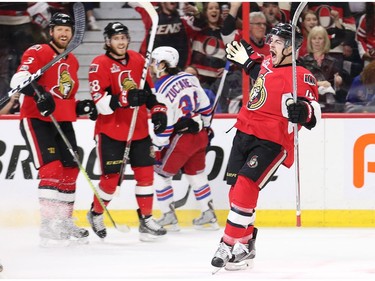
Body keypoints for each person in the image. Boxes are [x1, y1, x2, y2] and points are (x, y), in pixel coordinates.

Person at [210, 23, 320, 272]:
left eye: (278, 41)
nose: (271, 44)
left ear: (292, 47)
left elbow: (314, 112)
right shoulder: (267, 63)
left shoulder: (301, 75)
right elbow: (247, 57)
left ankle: (227, 244)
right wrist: (231, 29)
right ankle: (246, 244)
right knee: (236, 193)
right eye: (272, 39)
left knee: (246, 187)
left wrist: (302, 110)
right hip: (244, 132)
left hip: (272, 141)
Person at [10, 12, 97, 246]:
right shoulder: (39, 52)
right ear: (51, 32)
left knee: (70, 169)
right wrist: (38, 94)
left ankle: (64, 221)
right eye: (59, 29)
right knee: (52, 168)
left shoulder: (72, 60)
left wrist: (82, 105)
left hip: (63, 121)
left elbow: (63, 95)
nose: (64, 33)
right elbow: (18, 79)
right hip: (37, 119)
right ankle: (49, 224)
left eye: (67, 29)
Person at [86, 22, 168, 242]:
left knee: (145, 176)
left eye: (123, 37)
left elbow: (149, 93)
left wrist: (158, 110)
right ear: (107, 41)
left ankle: (146, 220)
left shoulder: (138, 59)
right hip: (111, 131)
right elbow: (100, 104)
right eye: (116, 38)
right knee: (110, 181)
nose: (120, 42)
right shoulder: (98, 64)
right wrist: (125, 98)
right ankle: (96, 213)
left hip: (139, 129)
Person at [149, 46, 219, 231]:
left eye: (154, 62)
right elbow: (206, 107)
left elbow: (166, 124)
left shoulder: (160, 88)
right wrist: (207, 126)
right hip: (200, 135)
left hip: (182, 139)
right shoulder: (190, 78)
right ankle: (209, 216)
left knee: (160, 175)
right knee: (197, 175)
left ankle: (168, 217)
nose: (151, 66)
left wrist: (158, 146)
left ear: (163, 64)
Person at [300, 26, 351, 111]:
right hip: (309, 102)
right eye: (314, 38)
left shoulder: (334, 61)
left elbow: (340, 87)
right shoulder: (303, 61)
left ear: (325, 41)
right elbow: (300, 82)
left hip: (329, 103)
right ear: (310, 41)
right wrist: (318, 83)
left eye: (320, 38)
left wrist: (339, 81)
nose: (317, 41)